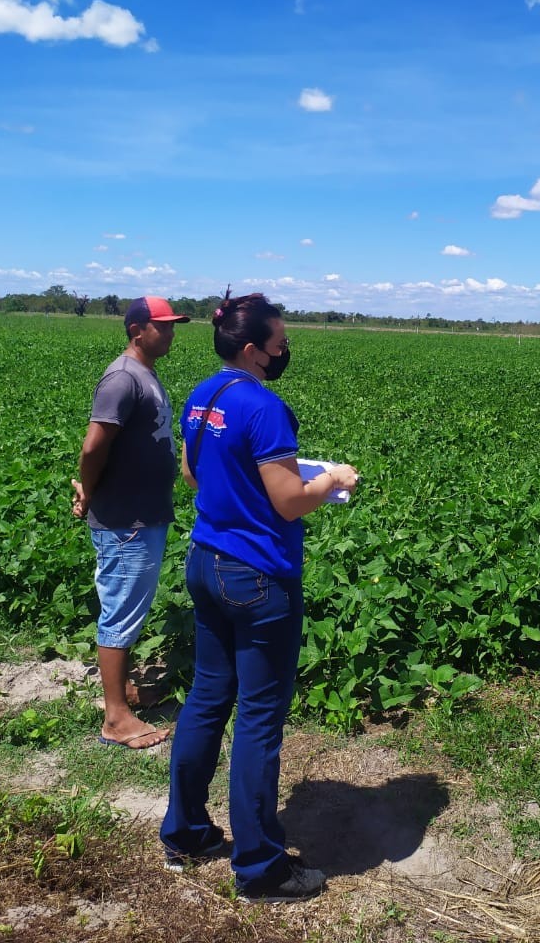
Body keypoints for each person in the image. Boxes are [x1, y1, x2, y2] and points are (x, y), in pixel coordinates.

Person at [159, 292, 359, 903]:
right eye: (279, 344)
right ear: (252, 349)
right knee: (260, 719)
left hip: (204, 560)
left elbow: (192, 474)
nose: (284, 352)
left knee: (206, 698)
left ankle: (188, 833)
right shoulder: (266, 407)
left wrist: (238, 485)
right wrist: (331, 480)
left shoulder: (203, 395)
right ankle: (259, 868)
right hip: (257, 577)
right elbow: (289, 501)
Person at [73, 295, 190, 749]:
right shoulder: (122, 378)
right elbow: (93, 447)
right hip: (127, 519)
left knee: (130, 607)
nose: (171, 332)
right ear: (137, 330)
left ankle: (120, 693)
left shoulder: (144, 373)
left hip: (143, 514)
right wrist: (87, 488)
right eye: (163, 325)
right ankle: (115, 719)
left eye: (173, 324)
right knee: (120, 610)